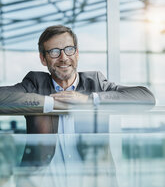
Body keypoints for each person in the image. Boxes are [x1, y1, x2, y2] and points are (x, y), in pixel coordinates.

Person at [0, 25, 155, 134]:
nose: (63, 57)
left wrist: (89, 100)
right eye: (54, 52)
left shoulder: (95, 82)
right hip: (42, 179)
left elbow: (146, 97)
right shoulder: (35, 83)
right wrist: (51, 103)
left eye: (69, 49)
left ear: (77, 53)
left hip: (91, 177)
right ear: (43, 59)